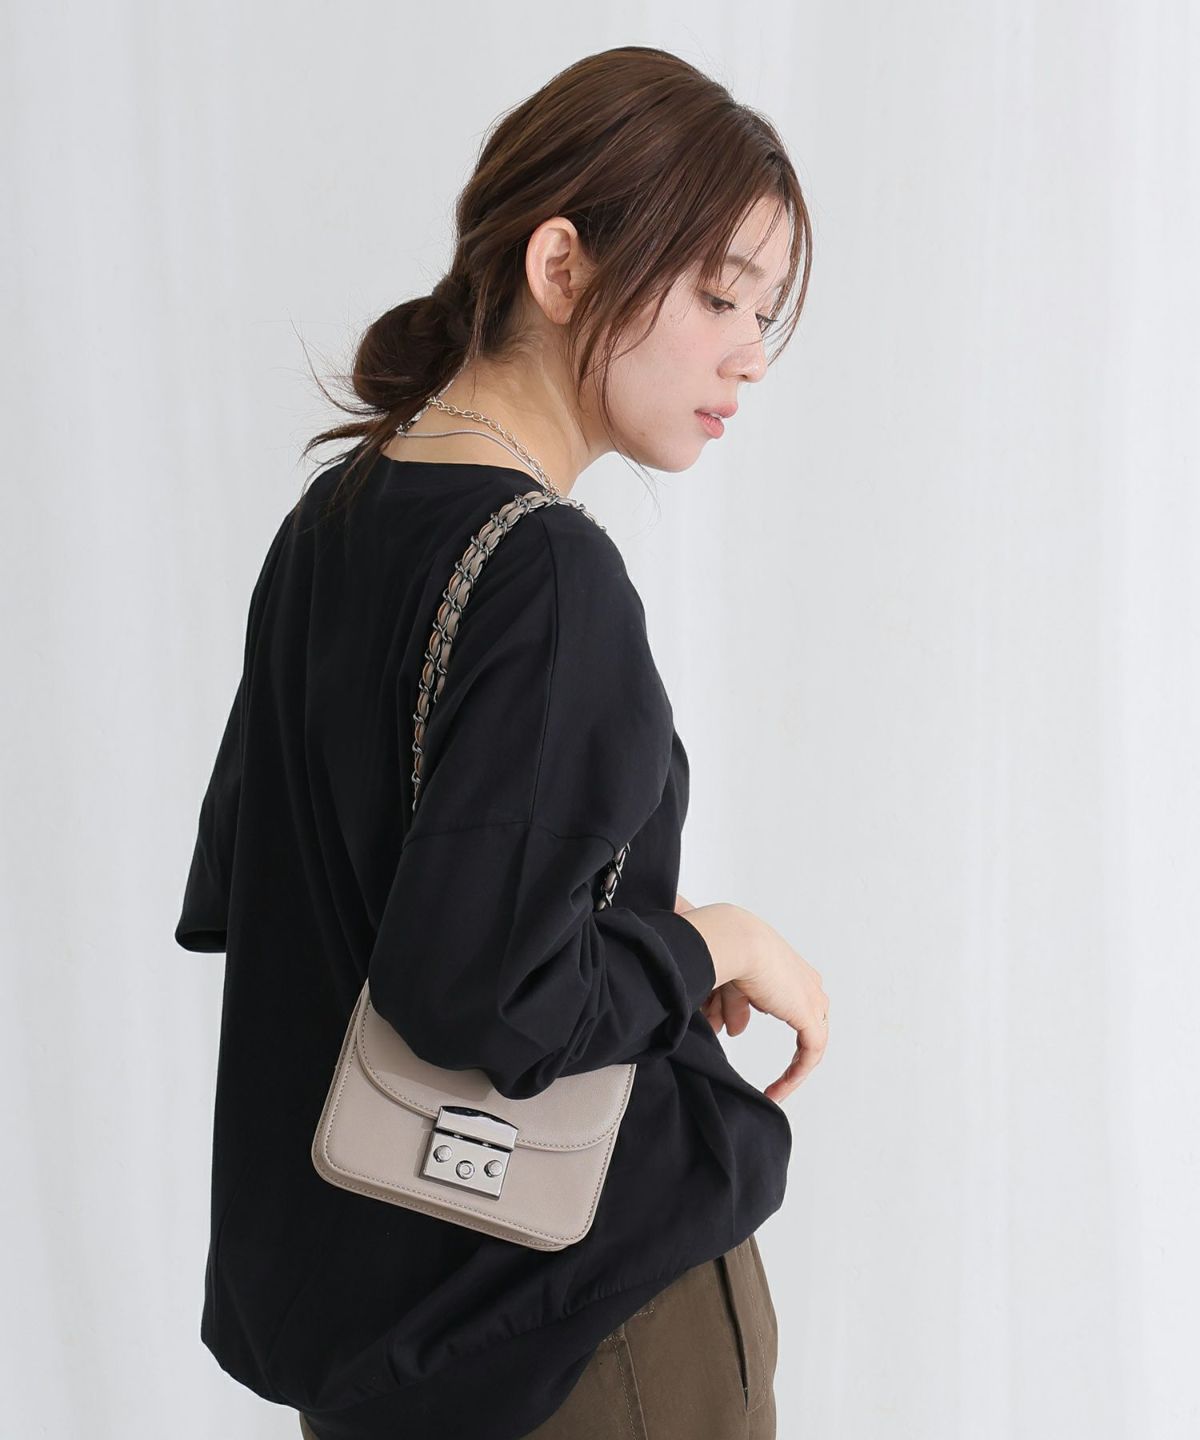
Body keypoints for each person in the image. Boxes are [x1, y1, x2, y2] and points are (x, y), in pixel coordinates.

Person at [174, 44, 829, 1440]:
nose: (751, 353)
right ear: (561, 267)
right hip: (580, 1335)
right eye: (719, 294)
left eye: (764, 310)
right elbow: (488, 997)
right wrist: (708, 944)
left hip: (374, 1351)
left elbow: (264, 906)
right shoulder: (546, 574)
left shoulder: (329, 527)